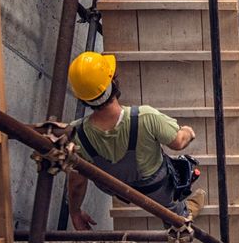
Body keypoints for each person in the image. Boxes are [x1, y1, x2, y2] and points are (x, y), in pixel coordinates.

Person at [65, 51, 206, 230]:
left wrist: (75, 212)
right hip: (156, 189)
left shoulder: (76, 135)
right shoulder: (146, 117)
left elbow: (77, 183)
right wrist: (188, 132)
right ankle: (183, 216)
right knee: (172, 209)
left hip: (119, 190)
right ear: (113, 82)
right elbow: (178, 143)